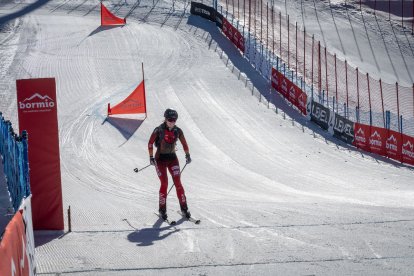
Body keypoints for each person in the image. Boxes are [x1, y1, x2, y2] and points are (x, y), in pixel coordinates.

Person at [148, 108, 192, 220]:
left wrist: (187, 155)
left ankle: (184, 208)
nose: (172, 122)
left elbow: (184, 143)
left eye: (174, 120)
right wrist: (151, 157)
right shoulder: (158, 130)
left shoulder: (178, 131)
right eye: (169, 119)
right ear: (165, 119)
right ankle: (162, 209)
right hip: (160, 159)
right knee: (164, 183)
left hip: (173, 159)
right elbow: (150, 143)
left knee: (178, 183)